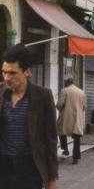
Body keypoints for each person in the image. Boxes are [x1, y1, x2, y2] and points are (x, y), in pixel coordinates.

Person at [0, 44, 58, 189]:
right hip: (3, 166)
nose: (7, 78)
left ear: (27, 72)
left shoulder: (43, 96)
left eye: (12, 73)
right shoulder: (0, 93)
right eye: (4, 72)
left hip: (30, 168)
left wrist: (52, 179)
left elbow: (50, 139)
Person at [56, 77, 87, 165]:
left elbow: (59, 104)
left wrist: (59, 108)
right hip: (78, 117)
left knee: (61, 131)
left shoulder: (64, 91)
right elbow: (84, 107)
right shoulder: (81, 92)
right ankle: (76, 158)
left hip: (66, 116)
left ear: (66, 83)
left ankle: (65, 149)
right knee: (77, 138)